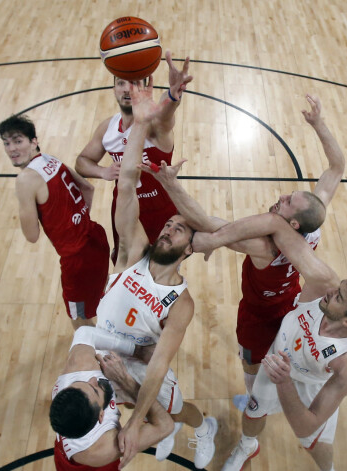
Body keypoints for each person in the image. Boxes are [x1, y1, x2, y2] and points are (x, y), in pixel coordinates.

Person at [142, 94, 345, 407]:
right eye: (290, 195)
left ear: (291, 224)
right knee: (281, 357)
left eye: (287, 203)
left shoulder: (262, 246)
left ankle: (256, 401)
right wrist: (319, 125)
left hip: (259, 315)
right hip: (293, 304)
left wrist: (172, 185)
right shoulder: (311, 224)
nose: (281, 197)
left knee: (251, 363)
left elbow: (206, 222)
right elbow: (336, 168)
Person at [192, 214, 347, 471]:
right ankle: (248, 445)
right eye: (339, 287)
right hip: (278, 360)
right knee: (253, 411)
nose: (331, 290)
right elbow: (276, 225)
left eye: (338, 297)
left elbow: (305, 424)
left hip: (308, 383)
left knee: (312, 440)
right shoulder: (324, 282)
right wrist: (215, 240)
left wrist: (284, 381)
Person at [95, 77, 217, 469]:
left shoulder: (180, 303)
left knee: (178, 412)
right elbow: (128, 183)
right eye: (168, 225)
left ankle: (204, 428)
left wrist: (135, 423)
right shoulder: (132, 252)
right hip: (106, 354)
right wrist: (141, 124)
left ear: (190, 249)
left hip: (140, 369)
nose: (167, 228)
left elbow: (159, 363)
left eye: (179, 229)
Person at [75, 51, 193, 262]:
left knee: (161, 269)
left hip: (160, 210)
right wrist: (102, 171)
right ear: (114, 89)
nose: (127, 89)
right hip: (124, 207)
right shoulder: (107, 127)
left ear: (146, 88)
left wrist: (174, 96)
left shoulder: (155, 125)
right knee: (123, 264)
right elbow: (82, 162)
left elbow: (167, 114)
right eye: (121, 83)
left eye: (135, 83)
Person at [0, 115, 110, 330]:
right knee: (98, 300)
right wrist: (77, 220)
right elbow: (88, 188)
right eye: (6, 143)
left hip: (77, 259)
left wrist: (25, 204)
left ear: (33, 141)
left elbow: (31, 236)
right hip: (96, 238)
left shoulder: (25, 180)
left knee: (81, 322)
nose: (11, 148)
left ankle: (96, 359)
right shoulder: (50, 159)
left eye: (17, 141)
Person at [50, 326, 174, 470]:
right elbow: (165, 425)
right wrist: (126, 381)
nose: (93, 380)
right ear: (101, 416)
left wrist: (137, 350)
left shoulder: (79, 367)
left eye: (84, 383)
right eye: (95, 390)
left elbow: (84, 333)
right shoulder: (100, 449)